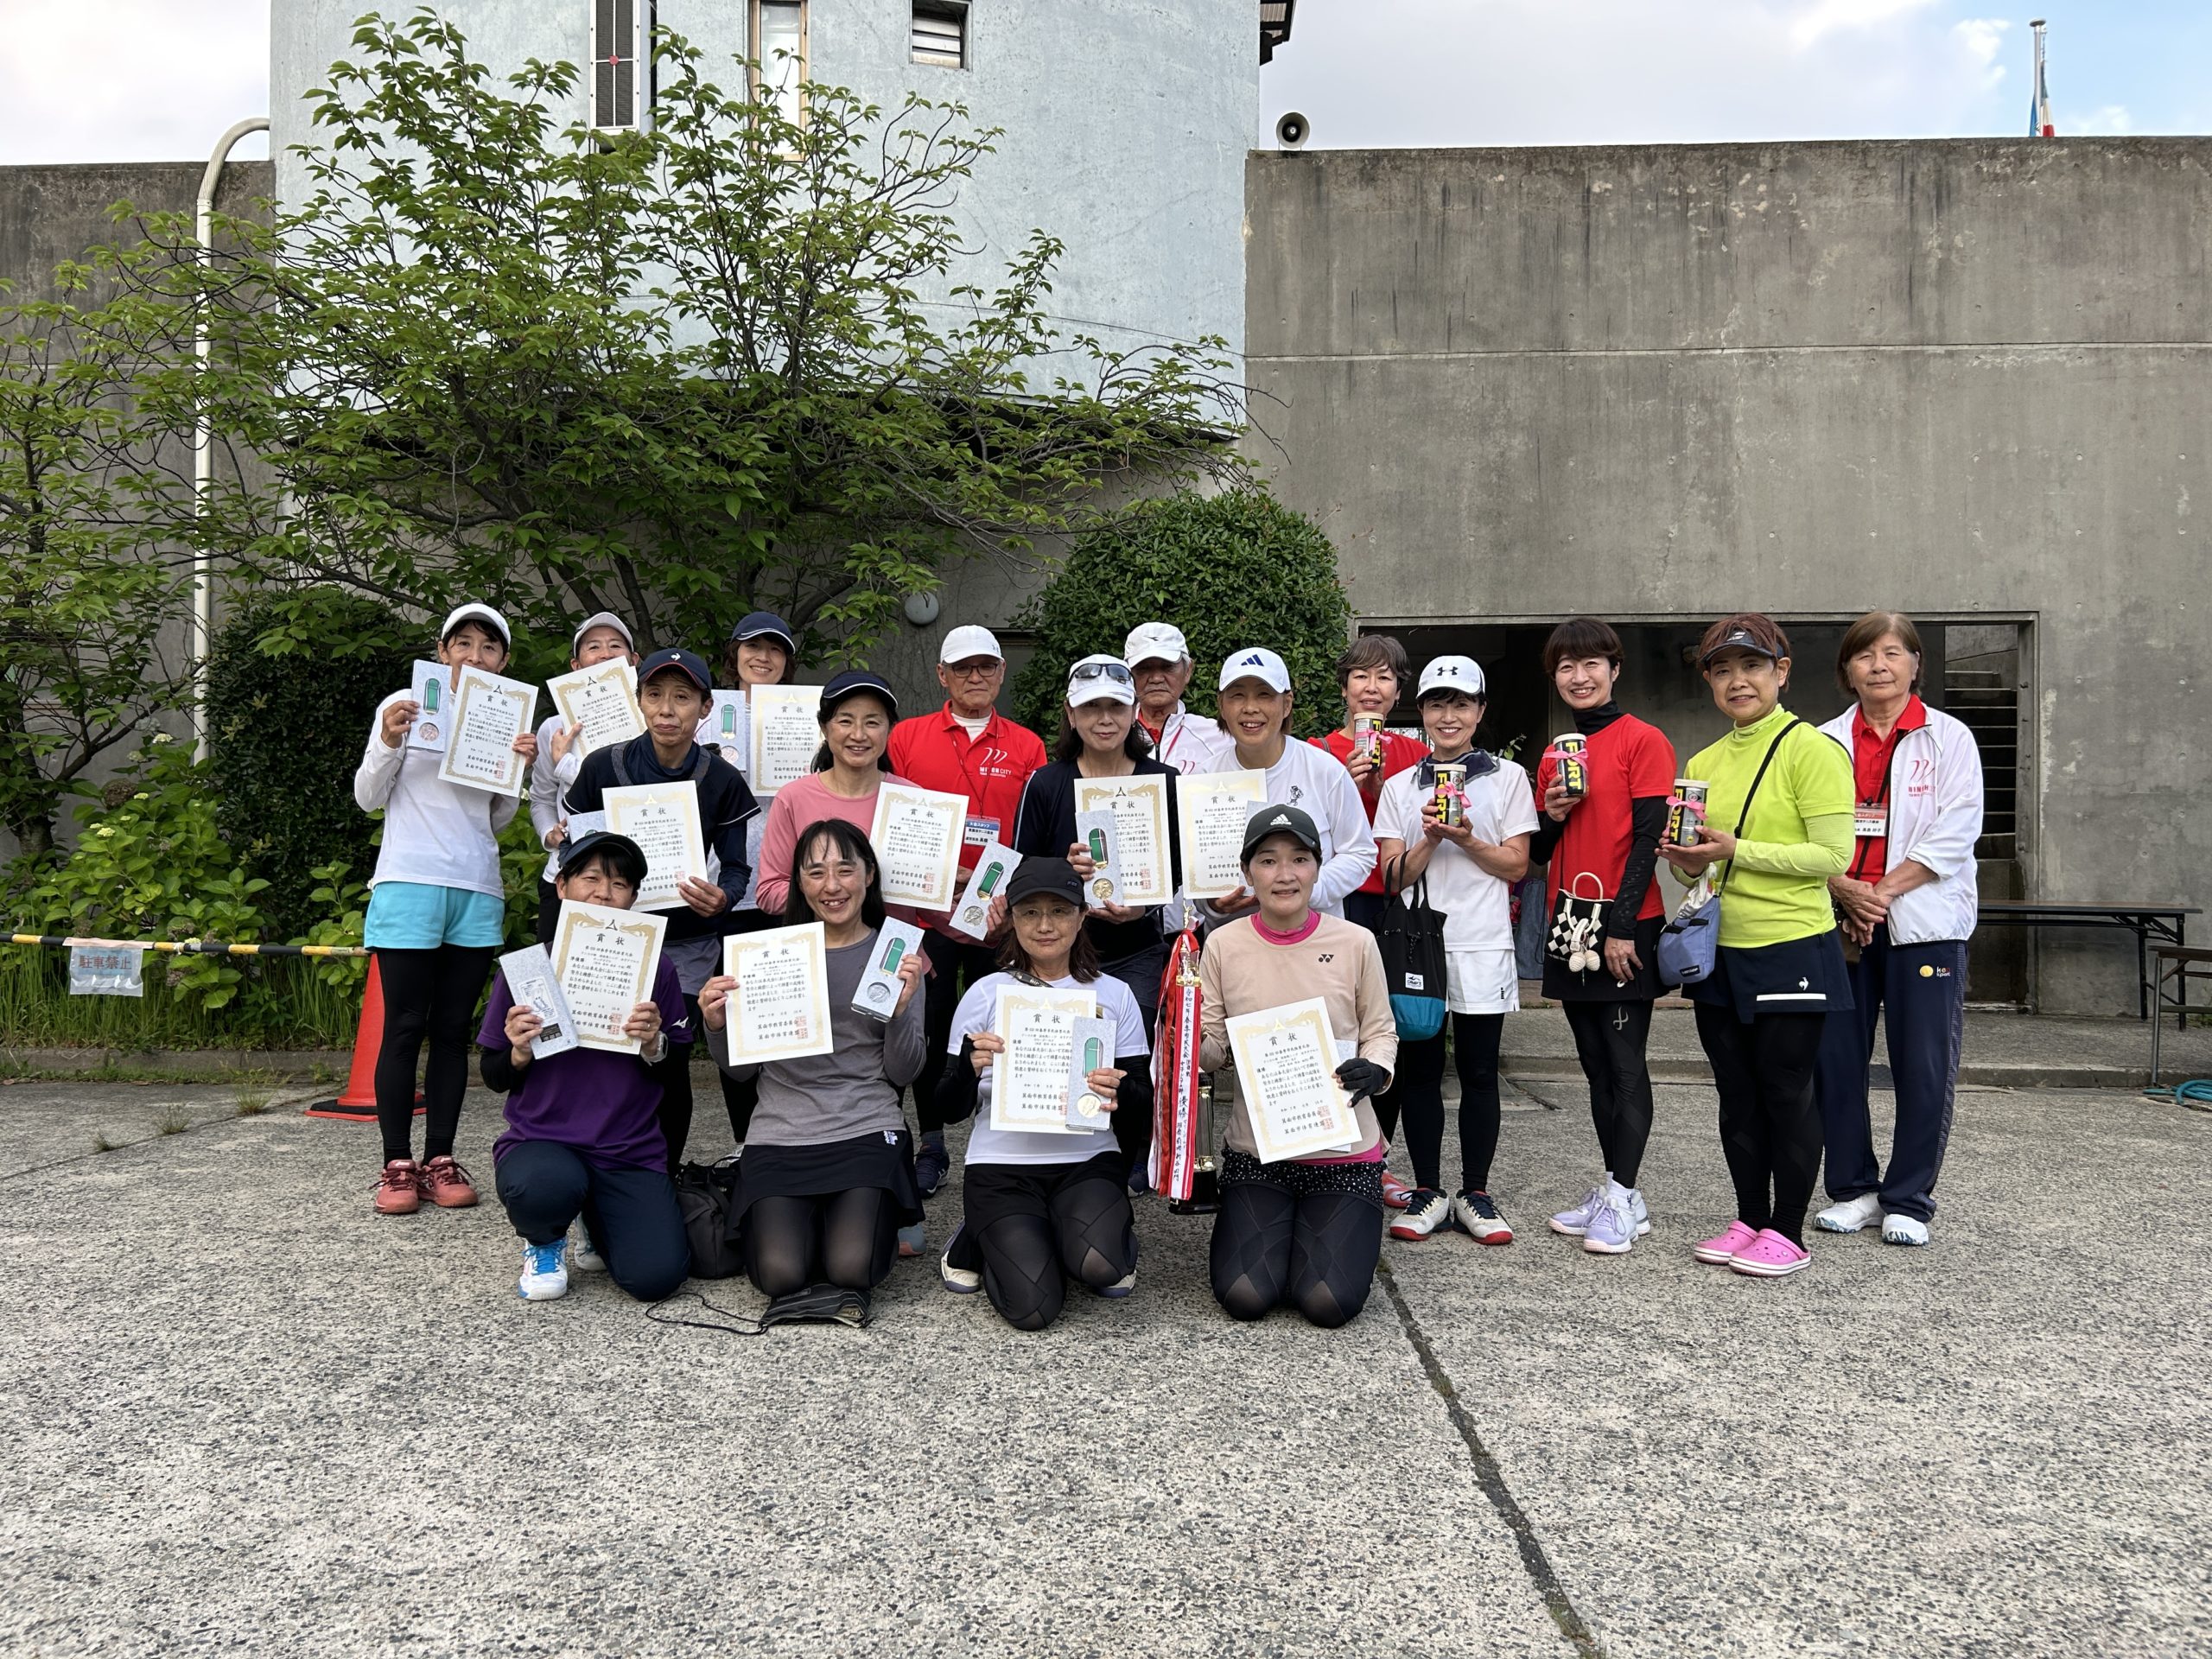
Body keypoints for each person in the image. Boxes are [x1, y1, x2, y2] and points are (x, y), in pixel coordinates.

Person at [1661, 613, 1854, 1280]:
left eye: (1751, 666)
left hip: (1793, 945)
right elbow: (1698, 872)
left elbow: (1832, 855)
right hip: (1721, 950)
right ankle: (1748, 1218)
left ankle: (1788, 1230)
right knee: (1735, 1092)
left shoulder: (1813, 750)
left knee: (1785, 1090)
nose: (1737, 681)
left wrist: (1736, 849)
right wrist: (1687, 861)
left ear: (1782, 671)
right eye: (1722, 670)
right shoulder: (1703, 763)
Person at [353, 601, 537, 1217]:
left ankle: (440, 1158)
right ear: (442, 651)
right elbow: (367, 796)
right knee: (404, 1025)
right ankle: (396, 1164)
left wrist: (517, 768)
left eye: (489, 647)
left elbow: (496, 818)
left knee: (454, 1031)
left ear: (503, 662)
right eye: (463, 644)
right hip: (409, 881)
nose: (475, 656)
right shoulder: (403, 704)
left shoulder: (506, 718)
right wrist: (389, 740)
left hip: (476, 885)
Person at [699, 819, 928, 1302]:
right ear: (799, 883)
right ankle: (827, 1217)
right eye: (816, 872)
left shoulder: (896, 955)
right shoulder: (766, 955)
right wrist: (716, 1026)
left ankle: (851, 1215)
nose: (832, 886)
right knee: (778, 1276)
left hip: (865, 1123)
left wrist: (900, 1014)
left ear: (869, 875)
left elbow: (904, 1072)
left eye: (845, 870)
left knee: (853, 1268)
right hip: (781, 1129)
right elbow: (740, 1071)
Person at [1813, 612, 1983, 1248]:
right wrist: (1844, 889)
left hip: (1924, 925)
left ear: (1915, 663)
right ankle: (1853, 1190)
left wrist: (1877, 894)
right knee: (1836, 1062)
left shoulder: (1950, 738)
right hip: (1839, 923)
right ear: (1847, 670)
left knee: (1924, 1064)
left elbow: (1956, 832)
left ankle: (1909, 1197)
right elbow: (1801, 829)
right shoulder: (1823, 741)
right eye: (1865, 655)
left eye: (1892, 653)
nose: (1878, 665)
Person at [561, 647, 760, 1171]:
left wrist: (724, 897)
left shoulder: (721, 779)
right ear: (639, 700)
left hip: (688, 943)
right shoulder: (603, 766)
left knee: (670, 1057)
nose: (667, 709)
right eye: (654, 695)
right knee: (606, 1054)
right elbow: (575, 853)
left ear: (705, 707)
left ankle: (663, 1173)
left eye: (682, 697)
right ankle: (601, 1166)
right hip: (612, 937)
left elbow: (736, 868)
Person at [933, 857, 1152, 1332]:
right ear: (1012, 919)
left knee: (1102, 1268)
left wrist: (1119, 1090)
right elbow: (947, 1107)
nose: (1045, 925)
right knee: (1033, 1309)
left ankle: (1072, 1229)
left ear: (1082, 915)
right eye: (1030, 912)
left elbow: (1143, 1098)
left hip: (1086, 1161)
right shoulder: (986, 993)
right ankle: (976, 1238)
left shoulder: (1114, 994)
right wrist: (968, 1069)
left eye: (1060, 910)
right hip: (1001, 1166)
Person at [1199, 806, 1397, 1327]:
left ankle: (1312, 1239)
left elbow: (1381, 1031)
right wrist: (1186, 1040)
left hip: (1342, 1152)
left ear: (1317, 868)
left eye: (1299, 859)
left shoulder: (1355, 941)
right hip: (1258, 1151)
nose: (1284, 874)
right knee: (1244, 1296)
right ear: (1247, 872)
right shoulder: (1222, 945)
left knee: (1328, 1303)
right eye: (1267, 861)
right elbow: (1214, 1048)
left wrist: (1375, 1069)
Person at [480, 832, 691, 1303]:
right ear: (562, 886)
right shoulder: (529, 968)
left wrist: (653, 1043)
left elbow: (676, 1066)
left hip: (627, 1148)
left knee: (657, 1278)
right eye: (590, 879)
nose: (603, 894)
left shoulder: (656, 968)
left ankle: (596, 1217)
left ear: (633, 898)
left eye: (619, 884)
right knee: (543, 1187)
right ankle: (544, 1240)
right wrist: (518, 1052)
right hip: (543, 1142)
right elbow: (493, 1074)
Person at [1372, 656, 1536, 1245]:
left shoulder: (1508, 778)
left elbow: (1516, 865)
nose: (1449, 716)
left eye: (1461, 704)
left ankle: (1476, 1193)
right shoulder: (1399, 786)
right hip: (1418, 949)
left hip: (1482, 942)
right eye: (1437, 704)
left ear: (1479, 711)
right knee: (1420, 1071)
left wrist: (1466, 839)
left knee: (1480, 1070)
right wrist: (1429, 839)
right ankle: (1428, 1190)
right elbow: (1392, 876)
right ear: (1422, 712)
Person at [1529, 619, 1679, 1257]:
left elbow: (1648, 839)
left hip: (1624, 923)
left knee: (1624, 1064)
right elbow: (1538, 852)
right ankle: (1621, 1190)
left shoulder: (1643, 740)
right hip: (1571, 922)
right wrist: (1550, 814)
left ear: (1615, 670)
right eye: (1567, 667)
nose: (1580, 676)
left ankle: (1622, 1197)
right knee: (1594, 1065)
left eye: (1592, 664)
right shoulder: (1555, 753)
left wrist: (1622, 929)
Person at [886, 626, 1048, 1203]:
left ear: (1001, 672)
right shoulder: (906, 736)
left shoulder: (1027, 746)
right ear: (942, 676)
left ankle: (993, 1134)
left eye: (986, 666)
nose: (975, 677)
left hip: (999, 915)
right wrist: (941, 874)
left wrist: (1013, 897)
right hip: (924, 913)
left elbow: (1033, 834)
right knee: (929, 1029)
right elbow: (891, 819)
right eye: (962, 668)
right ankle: (931, 1144)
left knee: (997, 1029)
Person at [1011, 654, 1183, 1192]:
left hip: (1136, 947)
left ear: (1135, 712)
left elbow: (1180, 867)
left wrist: (1145, 906)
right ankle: (1058, 1151)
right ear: (1071, 714)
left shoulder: (1164, 782)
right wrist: (1065, 872)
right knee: (1064, 1052)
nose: (1104, 719)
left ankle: (1126, 1157)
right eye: (1091, 708)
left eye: (1115, 706)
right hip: (1057, 952)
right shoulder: (1047, 783)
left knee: (1131, 1060)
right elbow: (1021, 869)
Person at [702, 609, 801, 1147]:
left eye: (775, 649)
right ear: (734, 653)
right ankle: (747, 1141)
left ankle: (789, 1135)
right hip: (727, 886)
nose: (763, 657)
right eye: (752, 646)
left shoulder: (806, 717)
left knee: (787, 1015)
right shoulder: (705, 716)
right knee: (735, 1018)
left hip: (789, 886)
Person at [1196, 646, 1376, 922]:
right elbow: (1194, 872)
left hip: (1316, 936)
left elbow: (1360, 853)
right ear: (1222, 705)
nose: (1250, 708)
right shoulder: (1203, 779)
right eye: (1237, 695)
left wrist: (1309, 887)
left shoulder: (1325, 770)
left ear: (1287, 703)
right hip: (1233, 938)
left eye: (1264, 695)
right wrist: (1212, 904)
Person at [753, 670, 910, 916]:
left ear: (890, 729)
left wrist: (960, 898)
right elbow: (769, 892)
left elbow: (932, 901)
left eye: (872, 722)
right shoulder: (793, 798)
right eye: (845, 721)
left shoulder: (913, 800)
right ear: (824, 728)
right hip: (820, 939)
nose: (858, 734)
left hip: (896, 940)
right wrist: (841, 893)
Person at [528, 612, 639, 946]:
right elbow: (541, 797)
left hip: (629, 883)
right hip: (567, 876)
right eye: (593, 647)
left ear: (633, 661)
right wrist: (549, 833)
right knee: (550, 966)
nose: (605, 655)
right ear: (576, 665)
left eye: (615, 646)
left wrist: (567, 765)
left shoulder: (652, 725)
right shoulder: (554, 728)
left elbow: (633, 795)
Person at [1311, 635, 1427, 932]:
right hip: (1337, 891)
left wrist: (1384, 795)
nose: (1372, 687)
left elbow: (1427, 826)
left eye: (1384, 678)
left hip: (1402, 892)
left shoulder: (1419, 755)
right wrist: (1343, 790)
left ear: (1398, 692)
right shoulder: (1317, 752)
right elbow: (1306, 826)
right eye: (1361, 676)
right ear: (1344, 688)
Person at [1123, 622, 1233, 772]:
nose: (1156, 678)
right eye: (1144, 668)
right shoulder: (1112, 736)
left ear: (1188, 671)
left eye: (1167, 667)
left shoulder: (1219, 737)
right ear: (1127, 675)